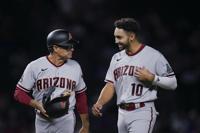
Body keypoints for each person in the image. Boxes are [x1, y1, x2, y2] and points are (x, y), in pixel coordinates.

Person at [92, 18, 177, 133]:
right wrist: (100, 102)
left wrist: (153, 78)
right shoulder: (116, 58)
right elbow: (110, 85)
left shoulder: (153, 55)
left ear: (131, 36)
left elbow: (173, 83)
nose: (116, 41)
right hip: (121, 113)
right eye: (115, 37)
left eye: (119, 37)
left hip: (142, 111)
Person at [14, 29, 90, 133]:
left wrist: (85, 125)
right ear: (55, 48)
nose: (72, 49)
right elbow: (19, 93)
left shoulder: (75, 66)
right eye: (68, 46)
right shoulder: (35, 66)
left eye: (72, 46)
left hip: (66, 119)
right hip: (42, 120)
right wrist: (34, 103)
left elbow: (81, 96)